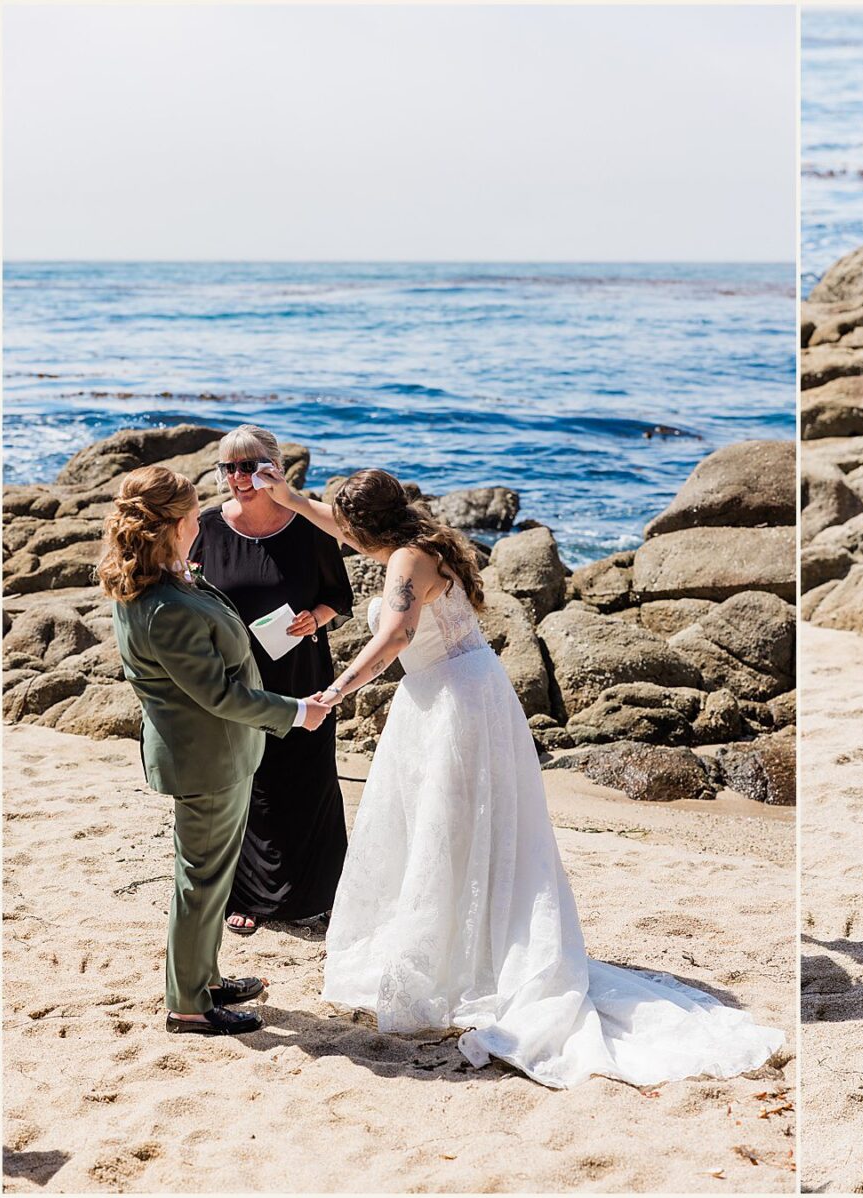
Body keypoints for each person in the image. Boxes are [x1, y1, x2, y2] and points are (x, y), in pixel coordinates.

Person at [249, 465, 784, 1087]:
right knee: (452, 828)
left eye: (344, 522)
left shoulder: (406, 563)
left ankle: (468, 962)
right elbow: (344, 530)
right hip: (456, 691)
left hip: (452, 703)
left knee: (449, 829)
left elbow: (395, 634)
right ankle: (464, 949)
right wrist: (288, 499)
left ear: (366, 526)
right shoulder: (416, 541)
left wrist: (335, 691)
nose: (337, 530)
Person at [101, 466, 332, 1036]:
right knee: (202, 883)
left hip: (218, 754)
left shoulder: (163, 581)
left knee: (210, 878)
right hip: (205, 759)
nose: (200, 521)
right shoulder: (165, 606)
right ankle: (187, 1003)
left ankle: (202, 977)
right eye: (192, 514)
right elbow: (219, 695)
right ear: (177, 525)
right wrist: (296, 712)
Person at [190, 426, 353, 936]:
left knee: (310, 777)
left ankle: (325, 893)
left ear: (275, 468)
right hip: (237, 676)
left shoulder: (308, 525)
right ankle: (252, 897)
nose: (239, 477)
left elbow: (339, 596)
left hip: (301, 669)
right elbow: (188, 591)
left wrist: (316, 617)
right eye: (228, 468)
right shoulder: (209, 526)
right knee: (251, 781)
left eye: (250, 465)